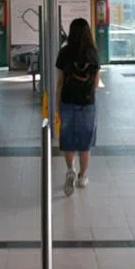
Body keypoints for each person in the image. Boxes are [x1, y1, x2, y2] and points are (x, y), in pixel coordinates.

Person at [55, 17, 101, 194]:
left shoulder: (64, 53)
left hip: (68, 100)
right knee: (84, 143)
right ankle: (82, 177)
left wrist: (57, 106)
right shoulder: (93, 54)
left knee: (68, 140)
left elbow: (59, 83)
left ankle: (70, 170)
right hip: (87, 102)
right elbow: (96, 84)